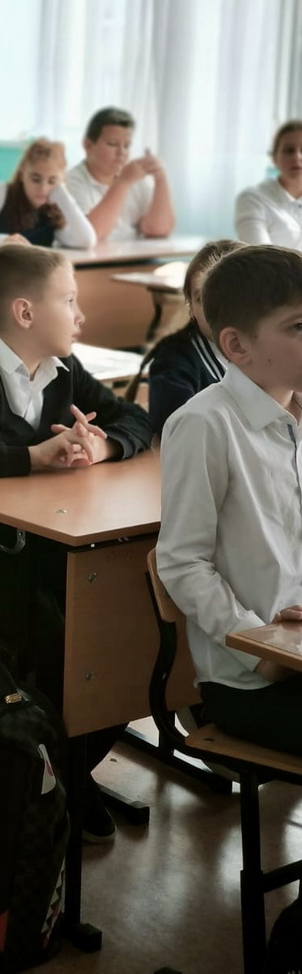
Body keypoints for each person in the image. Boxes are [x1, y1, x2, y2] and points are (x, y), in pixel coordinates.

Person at [0, 243, 153, 841]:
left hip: (48, 547)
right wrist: (32, 458)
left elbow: (137, 419)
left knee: (125, 631)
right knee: (60, 639)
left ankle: (64, 769)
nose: (80, 315)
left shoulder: (65, 371)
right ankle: (51, 773)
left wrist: (101, 446)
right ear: (25, 313)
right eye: (69, 300)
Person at [157, 245, 302, 757]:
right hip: (251, 681)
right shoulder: (204, 424)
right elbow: (182, 562)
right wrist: (258, 647)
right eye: (299, 326)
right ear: (236, 345)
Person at [135, 239, 245, 435]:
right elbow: (180, 436)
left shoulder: (274, 349)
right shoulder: (173, 365)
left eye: (232, 295)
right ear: (191, 306)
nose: (216, 309)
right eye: (203, 298)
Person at [0, 138, 96, 252]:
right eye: (35, 179)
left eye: (52, 181)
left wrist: (63, 196)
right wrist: (3, 241)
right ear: (22, 172)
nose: (43, 189)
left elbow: (87, 241)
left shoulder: (53, 209)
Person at [66, 107, 175, 242]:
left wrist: (161, 180)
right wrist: (122, 182)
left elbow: (159, 230)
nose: (121, 152)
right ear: (88, 145)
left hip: (135, 255)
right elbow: (91, 234)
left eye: (127, 145)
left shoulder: (135, 180)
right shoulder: (71, 181)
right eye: (112, 144)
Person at [234, 120, 302, 246]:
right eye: (289, 150)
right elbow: (261, 255)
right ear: (275, 158)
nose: (297, 157)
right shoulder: (252, 199)